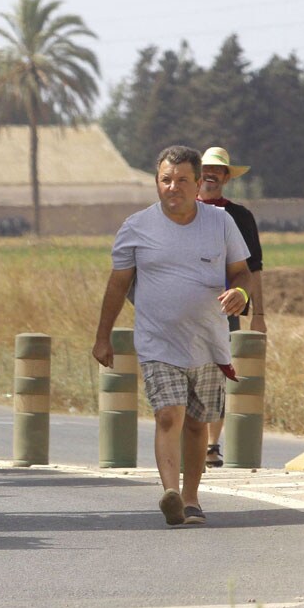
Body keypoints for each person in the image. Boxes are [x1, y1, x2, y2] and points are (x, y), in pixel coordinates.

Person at [91, 145, 253, 528]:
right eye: (166, 180)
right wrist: (102, 337)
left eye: (182, 180)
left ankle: (192, 498)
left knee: (197, 423)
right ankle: (172, 495)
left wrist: (241, 294)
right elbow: (117, 286)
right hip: (158, 342)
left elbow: (242, 272)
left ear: (198, 183)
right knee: (168, 415)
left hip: (210, 343)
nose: (173, 187)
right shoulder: (136, 227)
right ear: (156, 182)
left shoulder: (221, 223)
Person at [196, 145, 266, 469]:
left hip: (225, 308)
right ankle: (191, 439)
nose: (211, 174)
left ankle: (211, 444)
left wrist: (259, 315)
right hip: (186, 309)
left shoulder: (239, 216)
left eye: (218, 170)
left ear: (226, 177)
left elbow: (253, 269)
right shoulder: (181, 212)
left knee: (220, 374)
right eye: (206, 168)